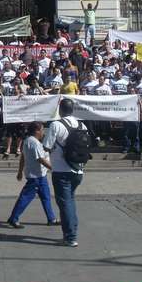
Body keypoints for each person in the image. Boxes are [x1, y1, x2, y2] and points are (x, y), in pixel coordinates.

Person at [43, 98, 88, 247]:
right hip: (78, 170)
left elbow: (46, 146)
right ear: (72, 110)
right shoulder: (82, 124)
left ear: (60, 110)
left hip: (61, 170)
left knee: (65, 203)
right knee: (70, 201)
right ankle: (72, 230)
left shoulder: (56, 125)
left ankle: (70, 237)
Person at [7, 122, 59, 229]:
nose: (43, 132)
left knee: (46, 197)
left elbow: (23, 157)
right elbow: (40, 159)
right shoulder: (34, 143)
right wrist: (55, 169)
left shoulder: (28, 141)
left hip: (40, 176)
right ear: (37, 131)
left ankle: (51, 218)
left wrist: (20, 172)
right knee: (25, 198)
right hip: (36, 177)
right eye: (42, 129)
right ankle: (13, 218)